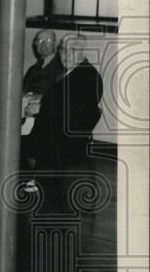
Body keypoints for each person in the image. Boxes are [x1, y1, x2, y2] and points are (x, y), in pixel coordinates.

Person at [24, 34, 104, 171]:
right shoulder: (74, 73)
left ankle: (28, 184)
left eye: (73, 50)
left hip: (61, 143)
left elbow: (77, 113)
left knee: (11, 145)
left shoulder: (88, 76)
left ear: (83, 52)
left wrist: (41, 109)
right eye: (63, 50)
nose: (66, 55)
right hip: (55, 138)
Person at [23, 29, 64, 97]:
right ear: (35, 44)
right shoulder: (32, 69)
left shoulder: (62, 67)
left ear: (55, 43)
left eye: (48, 40)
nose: (43, 44)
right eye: (39, 40)